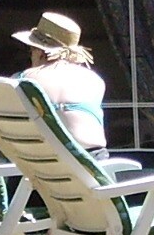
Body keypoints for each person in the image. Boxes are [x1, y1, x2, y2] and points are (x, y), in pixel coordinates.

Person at [13, 11, 108, 152]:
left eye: (31, 50)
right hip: (90, 159)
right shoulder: (95, 80)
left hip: (37, 157)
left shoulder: (19, 80)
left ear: (40, 52)